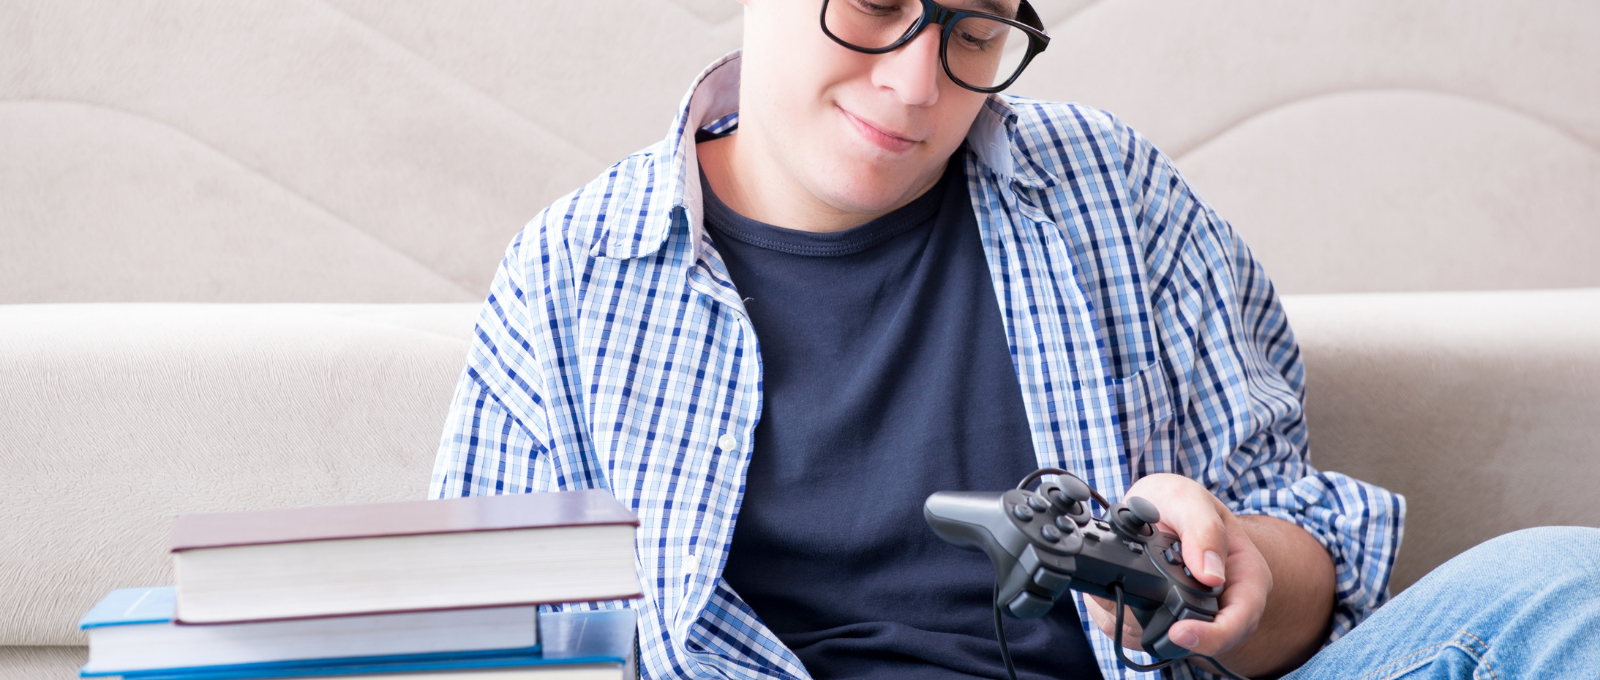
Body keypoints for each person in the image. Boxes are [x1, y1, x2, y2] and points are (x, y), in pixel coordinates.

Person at [430, 1, 1599, 678]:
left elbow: (1309, 574)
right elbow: (484, 648)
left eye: (973, 30)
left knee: (1563, 588)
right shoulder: (572, 279)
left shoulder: (1113, 191)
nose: (912, 84)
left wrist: (1234, 564)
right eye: (875, 3)